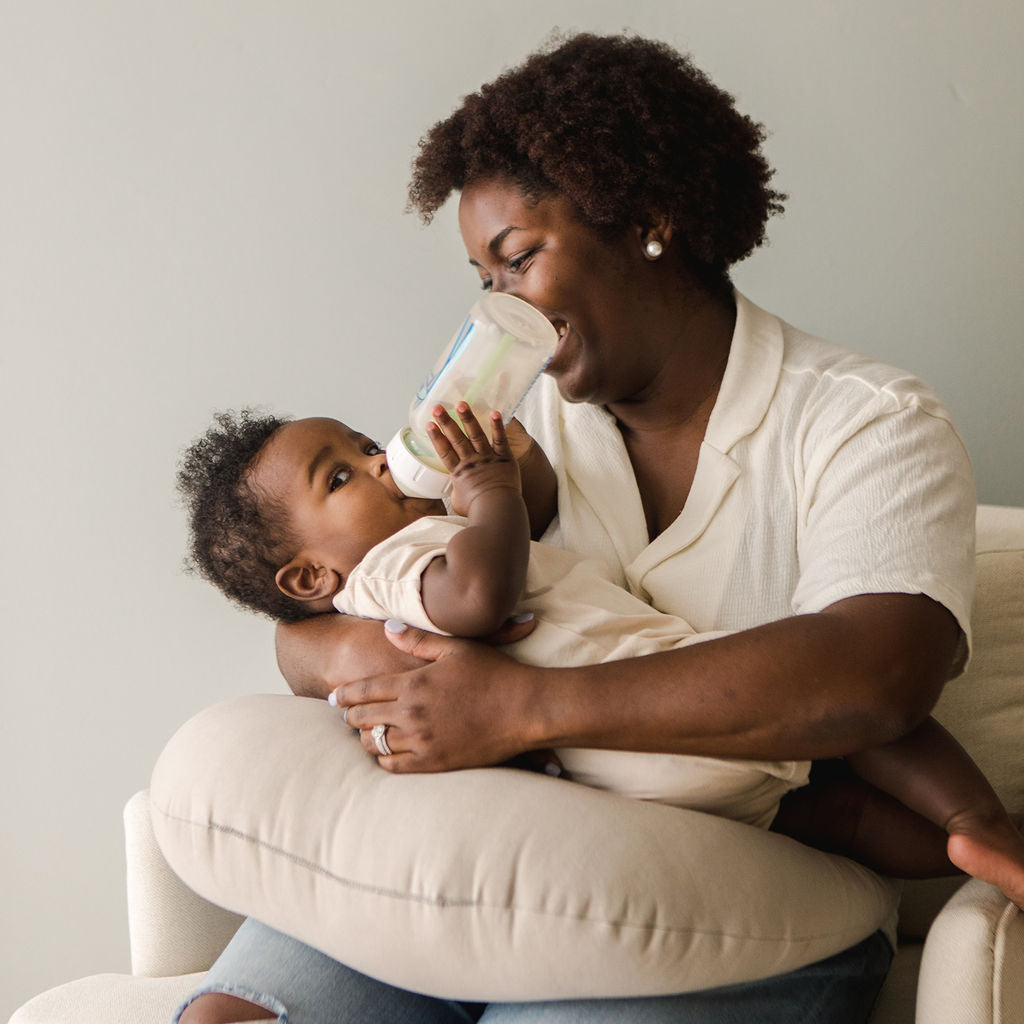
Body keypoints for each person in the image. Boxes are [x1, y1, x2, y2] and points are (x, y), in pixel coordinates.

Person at [177, 30, 991, 1024]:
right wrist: (371, 656)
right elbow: (321, 600)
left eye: (517, 259)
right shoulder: (505, 434)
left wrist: (523, 706)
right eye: (484, 278)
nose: (498, 304)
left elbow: (875, 674)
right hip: (491, 847)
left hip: (742, 889)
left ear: (648, 219)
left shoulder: (865, 421)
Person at [175, 401, 1023, 1023]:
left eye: (363, 448)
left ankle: (964, 841)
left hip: (649, 782)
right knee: (848, 786)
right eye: (344, 475)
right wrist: (491, 493)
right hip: (637, 772)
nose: (380, 463)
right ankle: (974, 827)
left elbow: (873, 678)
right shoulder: (406, 556)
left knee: (838, 789)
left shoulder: (864, 421)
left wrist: (500, 490)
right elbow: (477, 593)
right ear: (308, 580)